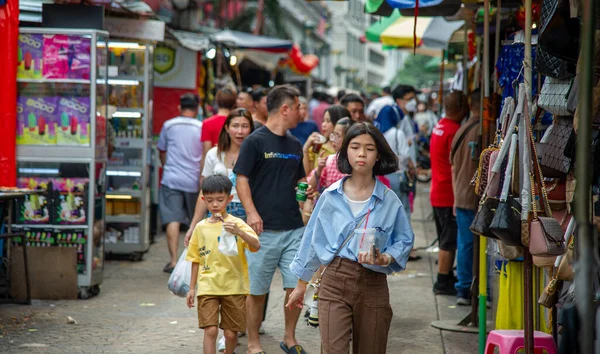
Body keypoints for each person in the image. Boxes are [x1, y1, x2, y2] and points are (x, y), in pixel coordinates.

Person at [287, 122, 415, 354]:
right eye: (355, 147)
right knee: (333, 350)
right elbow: (312, 241)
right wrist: (300, 284)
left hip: (374, 283)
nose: (362, 154)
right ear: (346, 151)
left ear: (378, 155)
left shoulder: (389, 200)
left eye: (369, 148)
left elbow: (405, 241)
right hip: (335, 279)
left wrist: (386, 258)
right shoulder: (330, 196)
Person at [233, 84, 308, 354]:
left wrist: (306, 190)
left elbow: (300, 180)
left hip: (293, 228)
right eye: (298, 106)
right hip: (262, 230)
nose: (302, 111)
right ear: (285, 108)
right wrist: (252, 213)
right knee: (257, 291)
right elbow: (241, 179)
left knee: (295, 287)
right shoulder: (255, 141)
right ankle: (253, 343)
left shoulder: (295, 144)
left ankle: (289, 338)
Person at [186, 175, 260, 354]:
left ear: (230, 199)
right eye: (210, 200)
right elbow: (195, 258)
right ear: (203, 200)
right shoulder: (201, 227)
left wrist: (239, 232)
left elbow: (256, 245)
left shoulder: (237, 224)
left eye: (220, 200)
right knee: (210, 330)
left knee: (230, 334)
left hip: (234, 287)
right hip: (208, 286)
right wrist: (191, 287)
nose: (215, 205)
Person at [157, 93, 203, 273]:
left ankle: (174, 261)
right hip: (194, 180)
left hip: (172, 178)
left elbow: (162, 151)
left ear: (179, 107)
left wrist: (168, 166)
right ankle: (193, 262)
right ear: (197, 108)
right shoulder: (201, 126)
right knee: (196, 220)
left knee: (172, 218)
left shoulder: (169, 125)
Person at [430, 91, 469, 295]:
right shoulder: (455, 130)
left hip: (438, 191)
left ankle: (445, 277)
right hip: (448, 194)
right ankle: (442, 281)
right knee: (448, 240)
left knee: (446, 238)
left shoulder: (439, 127)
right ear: (462, 108)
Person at [450, 89, 481, 305]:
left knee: (465, 243)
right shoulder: (481, 129)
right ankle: (467, 288)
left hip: (461, 194)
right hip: (473, 196)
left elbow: (452, 167)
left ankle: (463, 288)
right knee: (471, 244)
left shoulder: (461, 129)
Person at [302, 105, 349, 175]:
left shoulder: (347, 150)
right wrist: (305, 149)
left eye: (328, 121)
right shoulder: (317, 148)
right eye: (323, 121)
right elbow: (306, 177)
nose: (323, 124)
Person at [201, 88, 237, 165]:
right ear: (234, 103)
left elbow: (206, 151)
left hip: (214, 167)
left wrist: (202, 174)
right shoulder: (237, 122)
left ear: (217, 101)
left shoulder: (207, 123)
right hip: (233, 165)